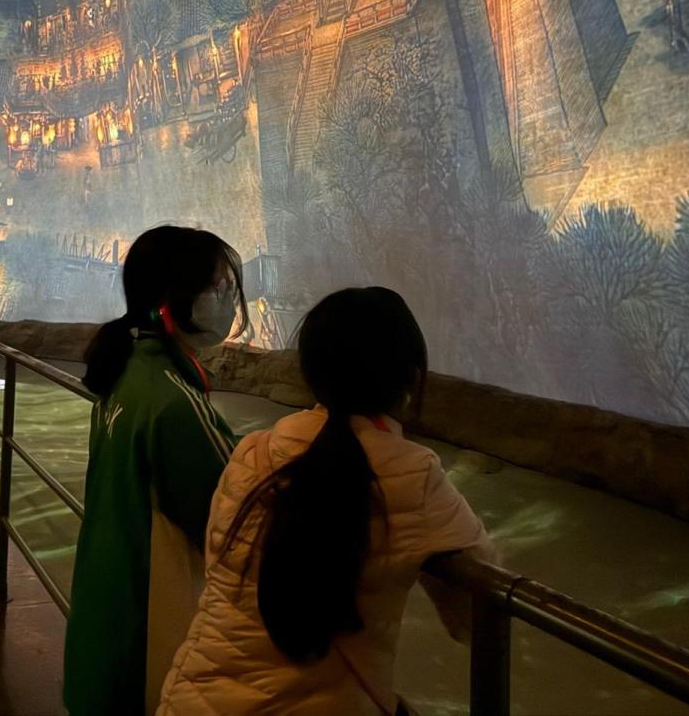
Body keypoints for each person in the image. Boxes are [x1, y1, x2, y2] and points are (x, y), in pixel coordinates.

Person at [158, 288, 494, 715]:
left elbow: (218, 566)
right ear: (410, 380)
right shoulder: (412, 473)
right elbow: (477, 613)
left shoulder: (253, 453)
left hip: (191, 699)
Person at [64, 226, 247, 716]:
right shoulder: (172, 401)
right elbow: (232, 517)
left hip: (107, 609)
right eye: (218, 288)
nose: (227, 301)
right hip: (148, 624)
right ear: (176, 295)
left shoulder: (126, 372)